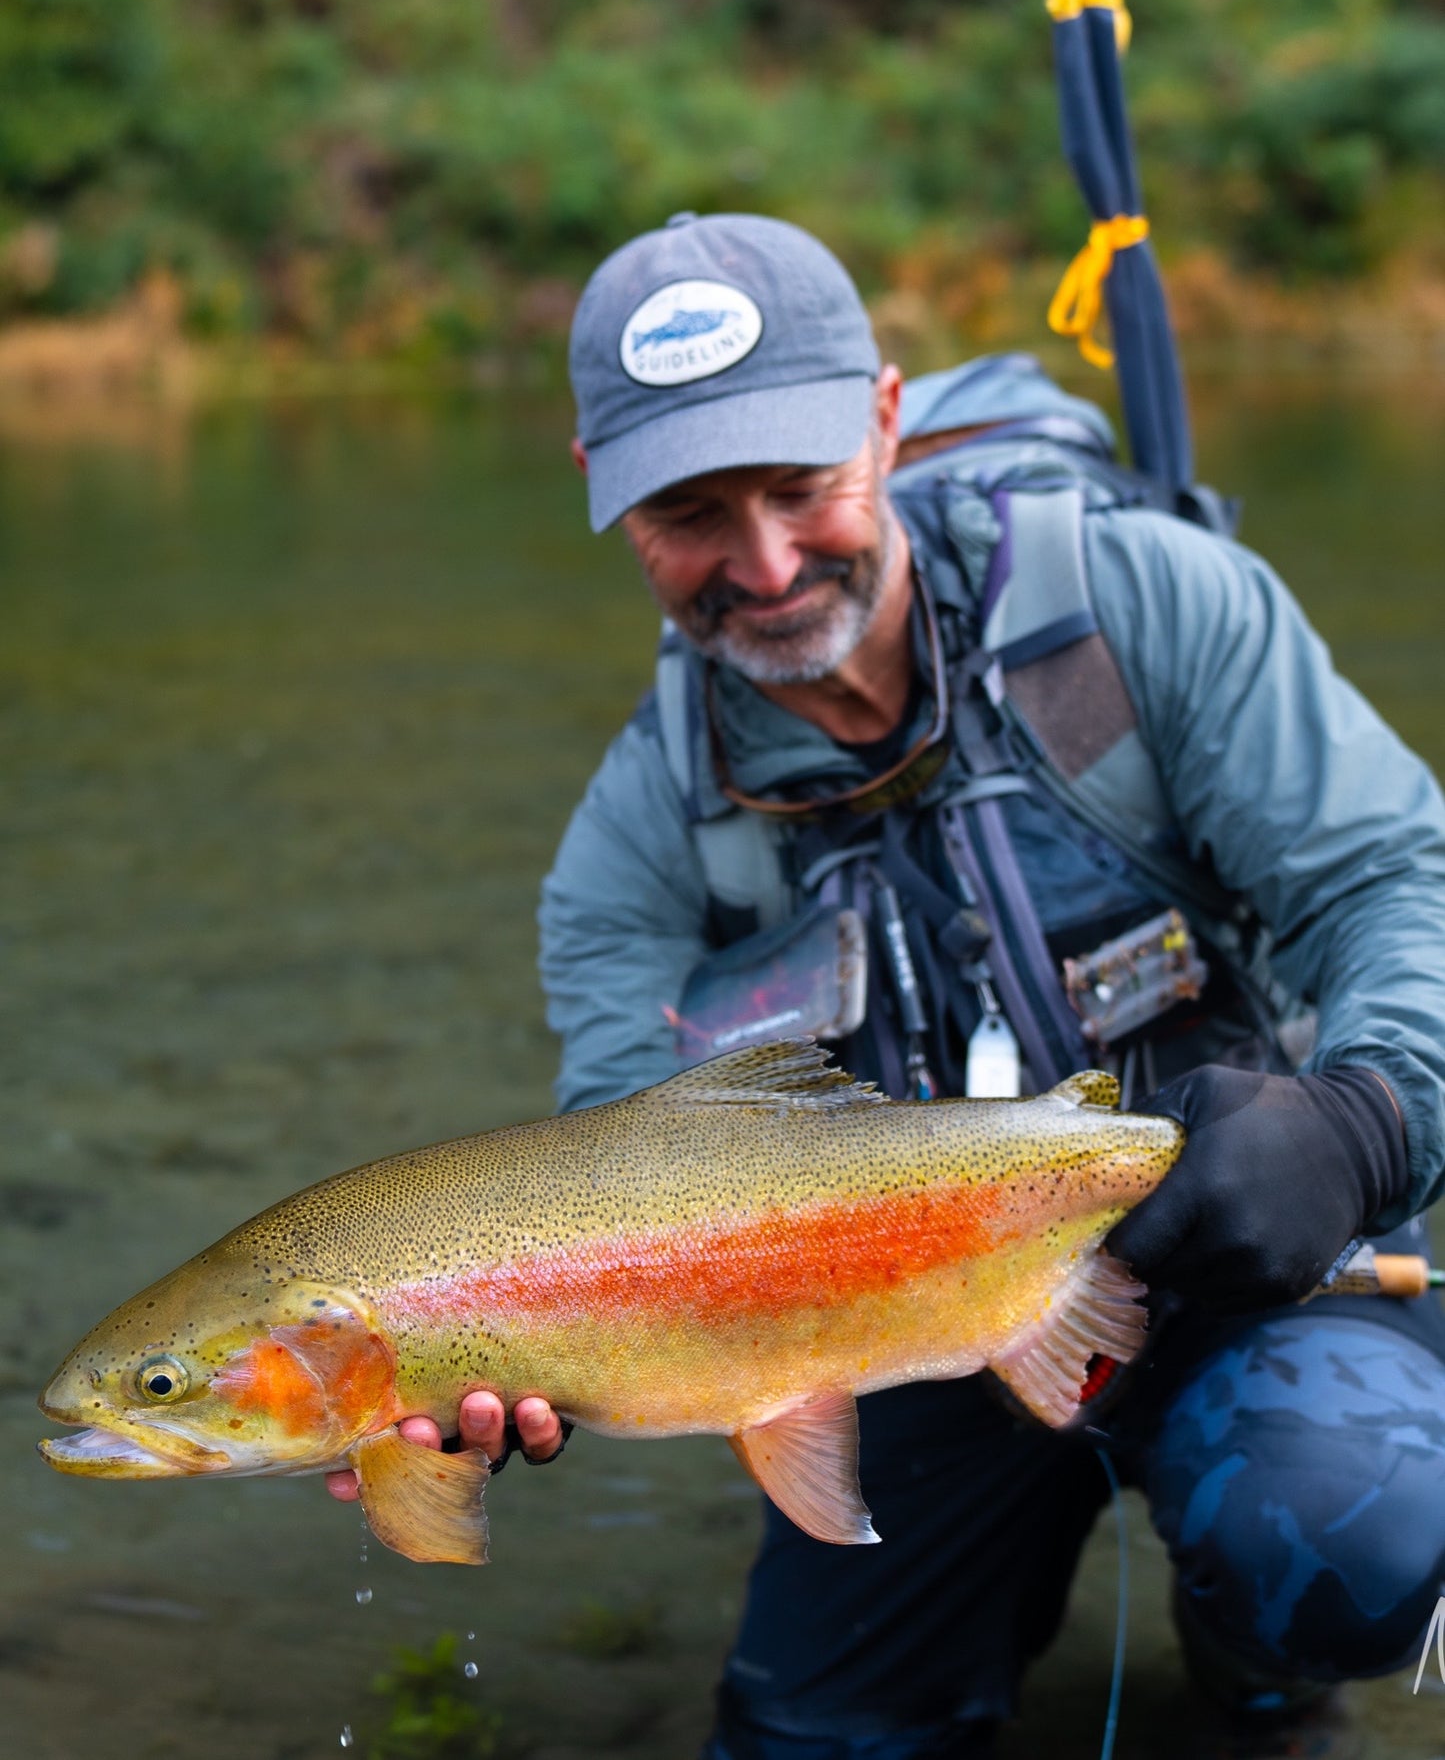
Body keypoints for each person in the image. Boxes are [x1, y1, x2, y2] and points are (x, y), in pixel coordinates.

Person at [333, 214, 1445, 1759]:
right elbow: (613, 1177)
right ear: (602, 489)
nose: (767, 565)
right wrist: (517, 1355)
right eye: (689, 513)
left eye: (800, 488)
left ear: (883, 415)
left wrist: (1368, 1119)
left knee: (1340, 1535)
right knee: (807, 1743)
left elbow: (1394, 882)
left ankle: (1259, 1670)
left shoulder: (1157, 604)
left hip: (1245, 1246)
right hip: (880, 1330)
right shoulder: (631, 849)